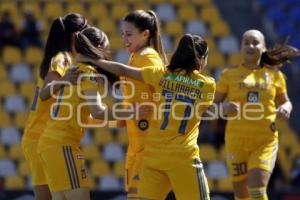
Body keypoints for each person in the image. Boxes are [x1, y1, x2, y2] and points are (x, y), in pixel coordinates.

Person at [77, 33, 215, 200]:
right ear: (202, 58)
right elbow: (203, 110)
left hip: (153, 157)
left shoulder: (162, 74)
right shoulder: (207, 85)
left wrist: (93, 60)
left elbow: (122, 70)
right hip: (183, 158)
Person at [37, 26, 147, 200]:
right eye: (106, 47)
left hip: (50, 144)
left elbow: (83, 116)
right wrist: (131, 112)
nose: (107, 53)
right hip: (62, 144)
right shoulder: (88, 73)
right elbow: (98, 112)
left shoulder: (72, 69)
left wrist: (114, 122)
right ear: (97, 47)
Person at [213, 29, 295, 200]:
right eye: (246, 42)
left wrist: (286, 107)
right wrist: (223, 109)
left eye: (255, 42)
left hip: (264, 141)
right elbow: (210, 107)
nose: (251, 46)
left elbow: (286, 101)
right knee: (242, 195)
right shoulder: (228, 75)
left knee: (256, 189)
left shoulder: (275, 76)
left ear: (264, 48)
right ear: (241, 47)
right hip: (236, 142)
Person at [21, 13, 87, 200]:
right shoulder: (62, 58)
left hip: (37, 136)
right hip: (42, 136)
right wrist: (65, 79)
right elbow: (45, 92)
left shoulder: (60, 57)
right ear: (76, 35)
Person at [117, 10, 167, 198]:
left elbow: (166, 96)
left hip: (148, 144)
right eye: (123, 34)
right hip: (136, 143)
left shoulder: (148, 57)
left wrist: (148, 109)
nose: (124, 38)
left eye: (129, 34)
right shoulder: (134, 56)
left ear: (145, 34)